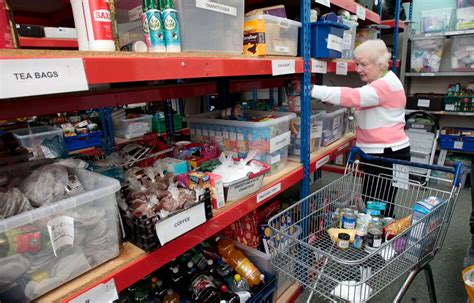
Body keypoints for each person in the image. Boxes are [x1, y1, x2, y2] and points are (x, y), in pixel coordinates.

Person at [311, 39, 410, 218]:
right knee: (375, 197)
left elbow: (355, 97)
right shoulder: (382, 80)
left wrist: (312, 89)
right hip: (382, 151)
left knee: (379, 200)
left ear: (380, 64)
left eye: (363, 64)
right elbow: (366, 102)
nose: (358, 69)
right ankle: (377, 233)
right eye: (356, 63)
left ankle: (379, 237)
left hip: (388, 152)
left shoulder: (384, 85)